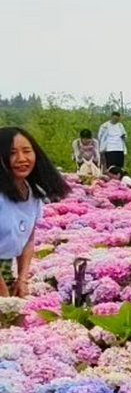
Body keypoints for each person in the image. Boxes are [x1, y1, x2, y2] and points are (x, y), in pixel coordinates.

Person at [0, 127, 70, 299]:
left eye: (27, 151)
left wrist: (22, 279)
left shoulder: (33, 194)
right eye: (12, 153)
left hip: (5, 272)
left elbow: (28, 238)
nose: (21, 159)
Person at [96, 111, 128, 176]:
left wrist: (124, 137)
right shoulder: (104, 126)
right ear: (111, 117)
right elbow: (100, 136)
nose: (115, 120)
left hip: (119, 148)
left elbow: (125, 135)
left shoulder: (120, 125)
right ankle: (111, 177)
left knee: (119, 165)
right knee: (111, 166)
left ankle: (119, 176)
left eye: (117, 119)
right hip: (110, 148)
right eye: (114, 119)